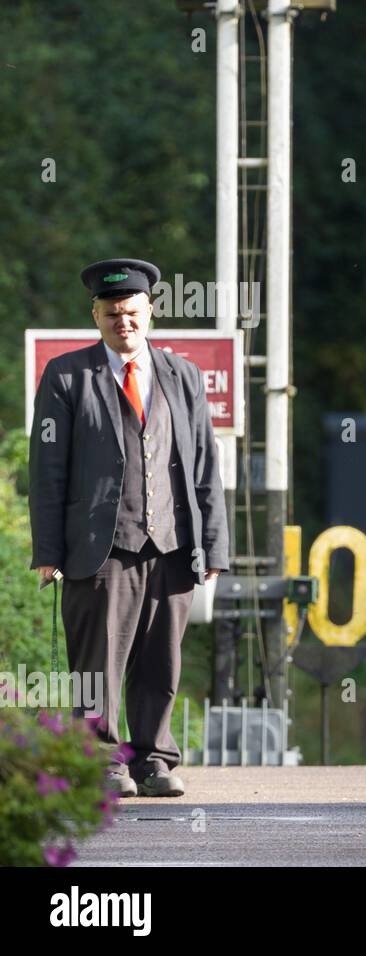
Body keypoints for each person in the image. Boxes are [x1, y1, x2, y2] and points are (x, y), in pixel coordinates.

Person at [29, 258, 229, 798]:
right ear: (96, 315)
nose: (125, 323)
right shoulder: (67, 376)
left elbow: (205, 463)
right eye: (113, 313)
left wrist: (214, 544)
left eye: (134, 312)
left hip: (172, 543)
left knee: (161, 660)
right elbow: (46, 469)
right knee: (97, 663)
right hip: (98, 546)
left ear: (151, 312)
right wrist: (48, 550)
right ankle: (101, 760)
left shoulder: (182, 375)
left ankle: (154, 760)